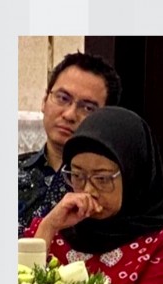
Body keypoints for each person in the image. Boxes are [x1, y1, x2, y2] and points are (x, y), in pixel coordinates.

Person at [24, 106, 163, 284]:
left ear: (133, 177)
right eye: (77, 176)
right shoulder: (48, 231)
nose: (88, 190)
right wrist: (49, 226)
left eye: (102, 179)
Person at [18, 52, 122, 236]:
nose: (69, 115)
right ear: (44, 100)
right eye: (62, 98)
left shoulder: (110, 185)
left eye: (88, 108)